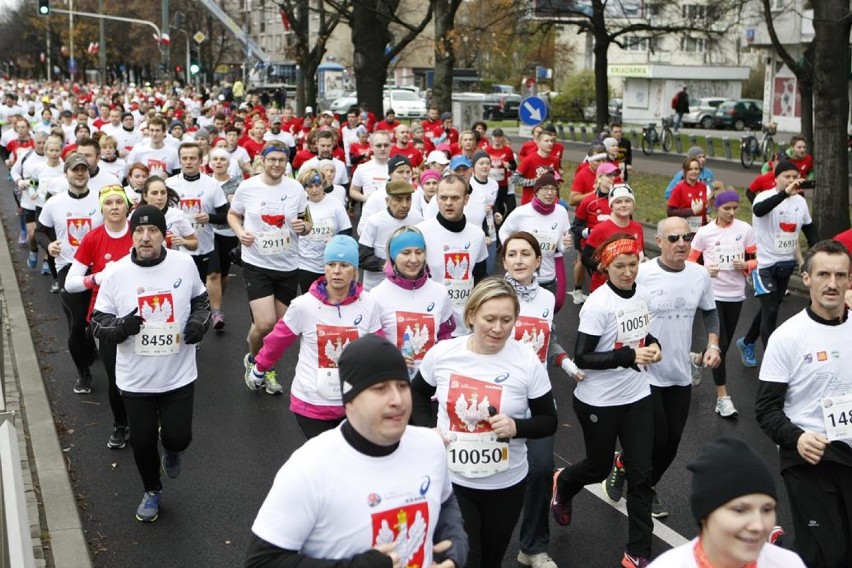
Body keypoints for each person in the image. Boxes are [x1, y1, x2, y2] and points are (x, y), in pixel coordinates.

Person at [244, 334, 468, 568]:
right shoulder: (310, 466)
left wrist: (454, 545)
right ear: (349, 400)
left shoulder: (430, 446)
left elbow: (445, 502)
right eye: (380, 389)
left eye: (402, 386)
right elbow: (261, 562)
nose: (397, 400)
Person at [412, 277, 557, 568]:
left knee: (491, 559)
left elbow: (548, 421)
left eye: (506, 320)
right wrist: (428, 430)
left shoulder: (526, 360)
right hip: (453, 481)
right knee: (466, 559)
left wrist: (517, 427)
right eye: (489, 319)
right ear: (470, 315)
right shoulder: (443, 354)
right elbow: (417, 393)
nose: (498, 328)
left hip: (506, 484)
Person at [91, 205, 211, 523]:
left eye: (153, 231)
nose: (146, 237)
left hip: (178, 374)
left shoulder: (183, 264)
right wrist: (121, 327)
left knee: (178, 438)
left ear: (163, 235)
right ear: (132, 235)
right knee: (142, 442)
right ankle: (151, 490)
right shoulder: (117, 273)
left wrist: (200, 323)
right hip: (135, 379)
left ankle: (173, 451)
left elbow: (202, 301)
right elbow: (98, 322)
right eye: (140, 232)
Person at [550, 233, 661, 568]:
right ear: (605, 267)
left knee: (642, 475)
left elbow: (643, 336)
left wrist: (654, 347)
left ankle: (638, 551)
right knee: (598, 467)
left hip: (638, 395)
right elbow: (582, 357)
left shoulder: (642, 295)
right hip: (599, 401)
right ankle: (564, 482)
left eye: (632, 264)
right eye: (620, 266)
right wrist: (629, 356)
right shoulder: (599, 304)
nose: (628, 272)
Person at [601, 217, 720, 522]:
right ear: (660, 240)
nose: (682, 243)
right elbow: (618, 309)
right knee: (656, 436)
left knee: (671, 444)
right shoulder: (644, 274)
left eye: (687, 237)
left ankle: (630, 469)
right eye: (674, 238)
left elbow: (710, 312)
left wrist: (713, 345)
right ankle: (644, 489)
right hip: (645, 374)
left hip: (679, 374)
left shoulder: (699, 276)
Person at [755, 239, 852, 568]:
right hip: (811, 456)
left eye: (841, 275)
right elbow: (766, 409)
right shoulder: (788, 337)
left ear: (850, 280)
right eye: (823, 274)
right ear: (807, 278)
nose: (833, 283)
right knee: (830, 554)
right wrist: (797, 438)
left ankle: (782, 548)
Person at [245, 235, 382, 438]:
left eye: (344, 265)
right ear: (324, 268)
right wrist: (260, 367)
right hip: (312, 404)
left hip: (354, 402)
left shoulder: (369, 302)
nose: (336, 271)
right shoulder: (304, 305)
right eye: (331, 264)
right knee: (323, 463)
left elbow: (378, 346)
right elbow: (278, 340)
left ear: (354, 270)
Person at [502, 232, 581, 568]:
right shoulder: (492, 293)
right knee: (487, 475)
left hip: (537, 397)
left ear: (538, 260)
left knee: (541, 469)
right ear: (503, 260)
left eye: (525, 254)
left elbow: (549, 341)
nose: (519, 260)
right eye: (512, 255)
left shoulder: (547, 299)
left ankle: (532, 547)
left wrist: (566, 363)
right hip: (498, 395)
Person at [228, 146, 311, 395]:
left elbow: (307, 224)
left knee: (277, 328)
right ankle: (255, 362)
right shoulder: (248, 187)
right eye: (272, 159)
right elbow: (233, 214)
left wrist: (303, 226)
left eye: (282, 160)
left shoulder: (295, 188)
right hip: (257, 263)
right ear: (263, 160)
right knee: (265, 323)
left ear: (287, 163)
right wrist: (240, 232)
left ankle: (264, 365)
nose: (276, 164)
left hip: (288, 265)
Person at [648, 437, 806, 567]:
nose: (758, 525)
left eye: (766, 509)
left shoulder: (789, 563)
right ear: (704, 515)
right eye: (740, 510)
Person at [64, 185, 135, 449]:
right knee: (116, 375)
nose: (115, 207)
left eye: (119, 202)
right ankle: (120, 424)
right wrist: (97, 278)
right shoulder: (93, 238)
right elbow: (70, 283)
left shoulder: (141, 233)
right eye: (109, 203)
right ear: (102, 208)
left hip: (141, 312)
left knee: (147, 370)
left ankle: (150, 420)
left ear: (127, 206)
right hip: (105, 317)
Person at [736, 161, 819, 366]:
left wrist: (818, 253)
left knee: (769, 309)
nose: (792, 180)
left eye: (794, 176)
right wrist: (784, 193)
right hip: (764, 266)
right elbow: (760, 211)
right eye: (786, 177)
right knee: (771, 310)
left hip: (785, 265)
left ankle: (746, 342)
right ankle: (773, 362)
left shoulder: (800, 202)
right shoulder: (764, 197)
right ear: (776, 178)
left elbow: (809, 229)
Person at [35, 154, 103, 393]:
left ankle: (108, 359)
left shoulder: (101, 199)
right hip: (69, 268)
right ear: (67, 173)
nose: (80, 173)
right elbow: (40, 230)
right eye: (75, 170)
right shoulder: (55, 202)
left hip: (100, 269)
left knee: (99, 322)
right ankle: (83, 373)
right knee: (76, 324)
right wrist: (48, 246)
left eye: (83, 169)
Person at [689, 190, 756, 418]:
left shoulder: (745, 230)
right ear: (717, 208)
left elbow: (757, 258)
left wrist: (746, 265)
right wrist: (704, 269)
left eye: (735, 208)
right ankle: (723, 398)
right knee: (721, 344)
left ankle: (697, 359)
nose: (731, 212)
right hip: (712, 295)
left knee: (722, 347)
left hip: (736, 295)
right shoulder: (705, 233)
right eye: (727, 208)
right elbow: (689, 262)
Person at [372, 227, 455, 376]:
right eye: (406, 253)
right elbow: (371, 347)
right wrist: (391, 360)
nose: (414, 259)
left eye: (419, 252)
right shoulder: (376, 295)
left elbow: (445, 338)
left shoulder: (440, 292)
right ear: (393, 257)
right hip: (391, 383)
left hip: (429, 385)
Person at [417, 174, 488, 336]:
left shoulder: (477, 235)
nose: (448, 203)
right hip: (433, 322)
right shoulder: (421, 232)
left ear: (466, 199)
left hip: (465, 325)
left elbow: (480, 277)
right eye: (443, 197)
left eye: (455, 198)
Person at [499, 172, 570, 312]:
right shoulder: (521, 212)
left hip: (548, 276)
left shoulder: (561, 212)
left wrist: (565, 245)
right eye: (545, 188)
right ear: (536, 191)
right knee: (519, 315)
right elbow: (503, 231)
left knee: (545, 315)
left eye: (553, 189)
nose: (550, 193)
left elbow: (560, 247)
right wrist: (512, 250)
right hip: (523, 276)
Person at [166, 142, 230, 282]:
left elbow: (226, 216)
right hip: (176, 247)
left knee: (201, 284)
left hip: (203, 245)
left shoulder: (211, 184)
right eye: (185, 158)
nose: (188, 162)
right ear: (180, 160)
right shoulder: (169, 184)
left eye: (193, 158)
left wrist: (209, 218)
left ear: (200, 160)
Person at [358, 179, 423, 291]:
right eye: (398, 200)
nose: (404, 205)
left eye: (408, 199)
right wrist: (391, 266)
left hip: (407, 287)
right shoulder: (374, 222)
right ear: (387, 201)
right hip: (376, 287)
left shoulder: (417, 218)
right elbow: (362, 258)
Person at [296, 168, 352, 293]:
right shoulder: (300, 205)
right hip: (306, 264)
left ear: (323, 185)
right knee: (312, 300)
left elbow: (347, 230)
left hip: (331, 263)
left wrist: (335, 240)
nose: (314, 190)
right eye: (309, 186)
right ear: (304, 188)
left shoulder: (335, 204)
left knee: (331, 299)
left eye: (317, 185)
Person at [571, 162, 620, 304]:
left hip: (612, 246)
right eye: (608, 175)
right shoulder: (588, 201)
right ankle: (578, 290)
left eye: (614, 175)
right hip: (591, 247)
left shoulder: (617, 200)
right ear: (599, 178)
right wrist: (589, 232)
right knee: (591, 270)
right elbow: (576, 226)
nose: (612, 178)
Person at [583, 184, 644, 293]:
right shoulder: (600, 229)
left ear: (633, 204)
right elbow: (585, 258)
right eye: (618, 202)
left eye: (628, 201)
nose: (624, 205)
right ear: (611, 206)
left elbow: (640, 252)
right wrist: (601, 267)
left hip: (629, 284)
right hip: (604, 288)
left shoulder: (637, 227)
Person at [509, 129, 561, 205]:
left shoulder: (555, 160)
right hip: (530, 203)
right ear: (538, 143)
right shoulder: (529, 159)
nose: (550, 144)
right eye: (546, 141)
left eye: (552, 141)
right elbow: (515, 179)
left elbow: (556, 181)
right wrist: (534, 182)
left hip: (548, 203)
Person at [667, 157, 708, 234]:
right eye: (690, 169)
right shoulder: (679, 188)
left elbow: (703, 209)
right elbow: (670, 212)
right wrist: (691, 211)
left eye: (696, 169)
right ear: (685, 171)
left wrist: (706, 219)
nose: (694, 171)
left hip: (700, 231)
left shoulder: (703, 186)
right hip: (684, 231)